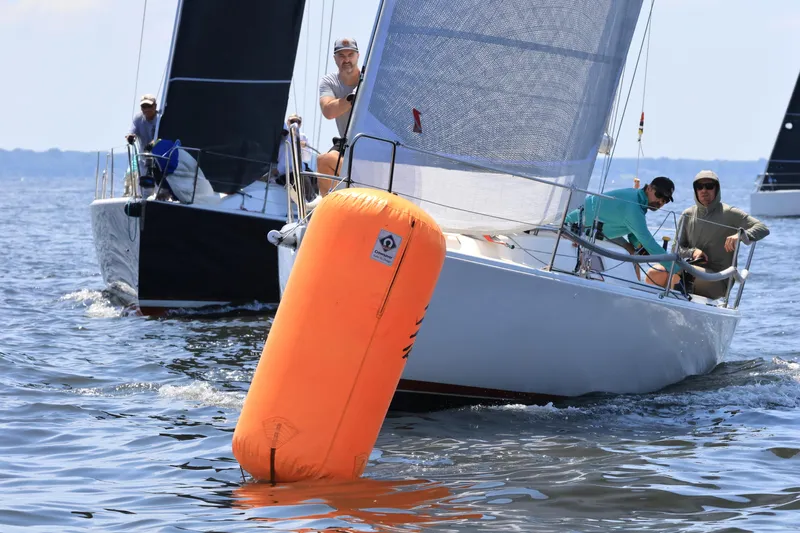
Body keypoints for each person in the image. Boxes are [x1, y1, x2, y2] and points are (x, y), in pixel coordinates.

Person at [646, 170, 770, 299]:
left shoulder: (730, 213)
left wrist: (740, 235)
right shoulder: (687, 214)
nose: (704, 190)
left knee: (679, 275)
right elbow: (676, 249)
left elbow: (763, 228)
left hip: (718, 278)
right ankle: (652, 311)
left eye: (709, 186)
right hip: (690, 269)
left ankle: (674, 311)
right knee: (654, 273)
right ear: (695, 190)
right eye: (699, 187)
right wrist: (692, 252)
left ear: (717, 189)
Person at [564, 176, 677, 271]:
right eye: (659, 195)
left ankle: (633, 285)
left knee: (632, 251)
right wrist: (676, 268)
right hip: (572, 227)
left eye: (665, 200)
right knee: (635, 252)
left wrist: (638, 246)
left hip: (599, 230)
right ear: (649, 188)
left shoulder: (638, 199)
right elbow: (649, 243)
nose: (660, 202)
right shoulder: (634, 207)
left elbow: (632, 233)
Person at [316, 37, 360, 196]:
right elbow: (328, 111)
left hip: (371, 142)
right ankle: (327, 205)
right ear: (335, 59)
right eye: (341, 55)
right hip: (347, 142)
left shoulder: (371, 77)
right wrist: (353, 98)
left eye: (350, 55)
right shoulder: (329, 82)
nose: (346, 59)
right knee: (323, 160)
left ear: (358, 56)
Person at [276, 114, 320, 206]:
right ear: (288, 122)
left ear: (300, 124)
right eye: (292, 121)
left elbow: (307, 158)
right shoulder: (284, 134)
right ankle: (310, 204)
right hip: (286, 171)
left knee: (317, 179)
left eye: (298, 122)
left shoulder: (303, 137)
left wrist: (303, 147)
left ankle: (317, 203)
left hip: (300, 169)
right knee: (302, 178)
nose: (295, 123)